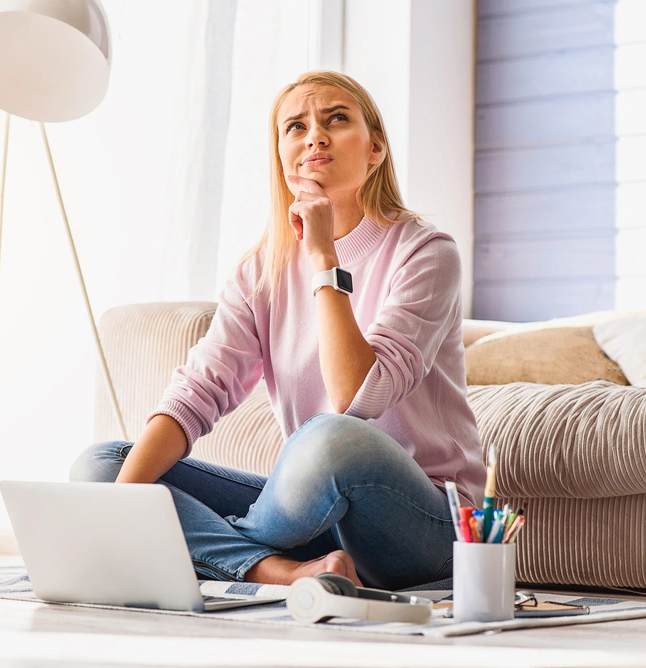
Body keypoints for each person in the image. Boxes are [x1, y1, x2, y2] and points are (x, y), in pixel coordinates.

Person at [71, 70, 484, 590]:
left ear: (375, 148)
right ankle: (283, 571)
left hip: (422, 526)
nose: (315, 135)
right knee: (104, 467)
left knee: (333, 437)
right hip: (314, 521)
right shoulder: (258, 272)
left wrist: (322, 257)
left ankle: (218, 548)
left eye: (336, 119)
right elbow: (198, 392)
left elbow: (357, 394)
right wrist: (115, 507)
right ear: (282, 154)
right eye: (296, 126)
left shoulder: (425, 252)